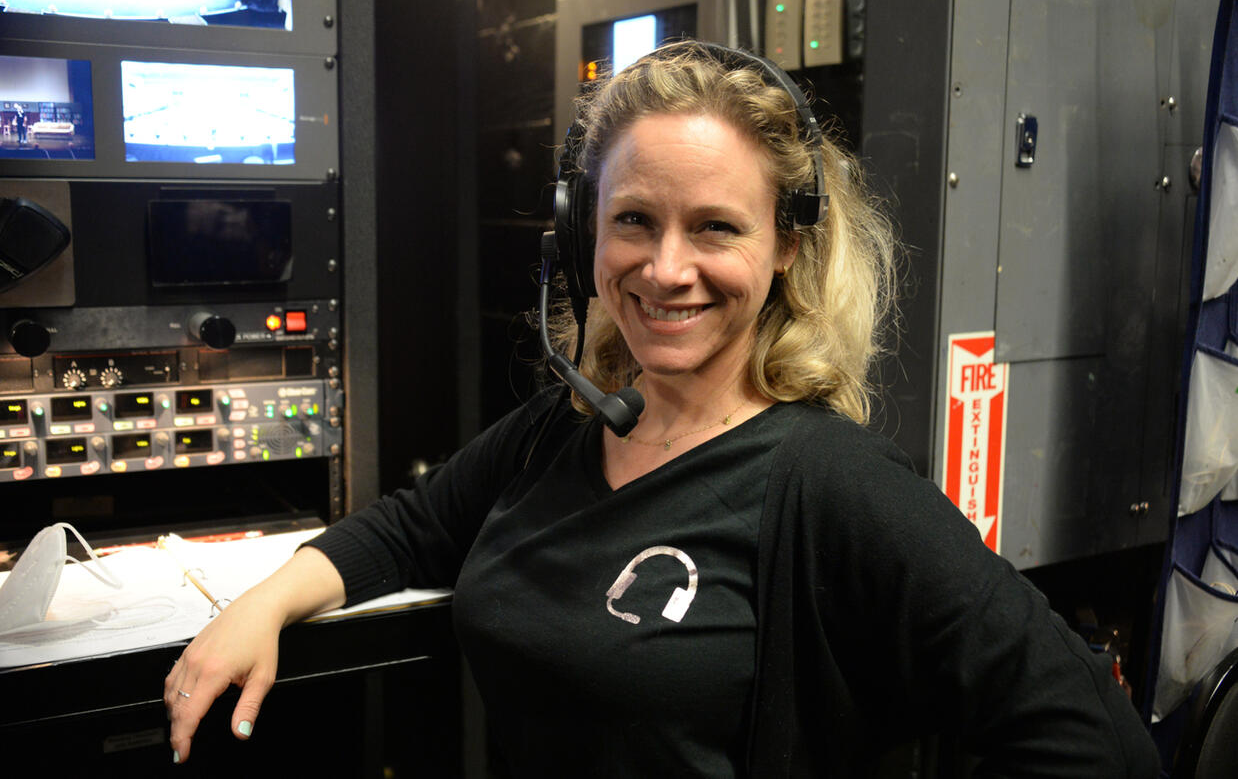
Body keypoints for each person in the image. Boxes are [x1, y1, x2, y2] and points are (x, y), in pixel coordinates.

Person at [164, 40, 1160, 776]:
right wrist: (266, 601)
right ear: (581, 233)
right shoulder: (573, 426)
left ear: (784, 248)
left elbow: (1091, 742)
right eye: (633, 220)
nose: (665, 268)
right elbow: (413, 529)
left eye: (715, 227)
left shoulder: (830, 482)